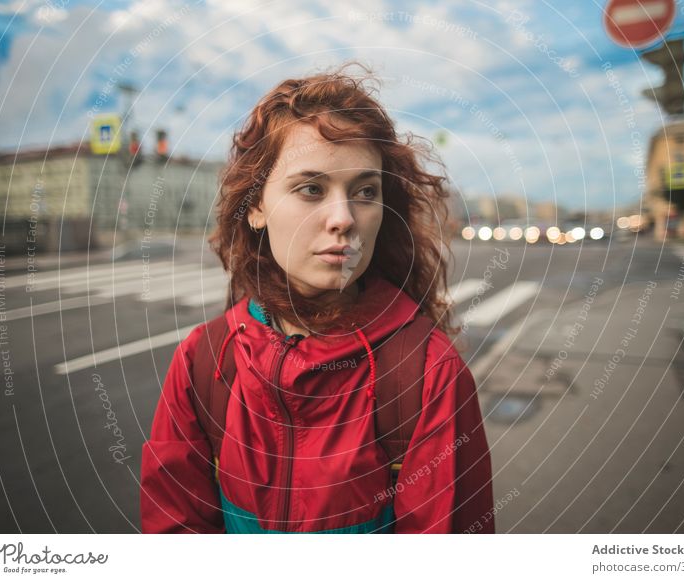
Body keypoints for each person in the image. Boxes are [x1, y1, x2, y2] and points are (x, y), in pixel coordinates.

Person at [140, 63, 495, 534]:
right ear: (258, 206)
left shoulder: (427, 374)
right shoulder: (205, 362)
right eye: (311, 189)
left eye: (365, 192)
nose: (343, 218)